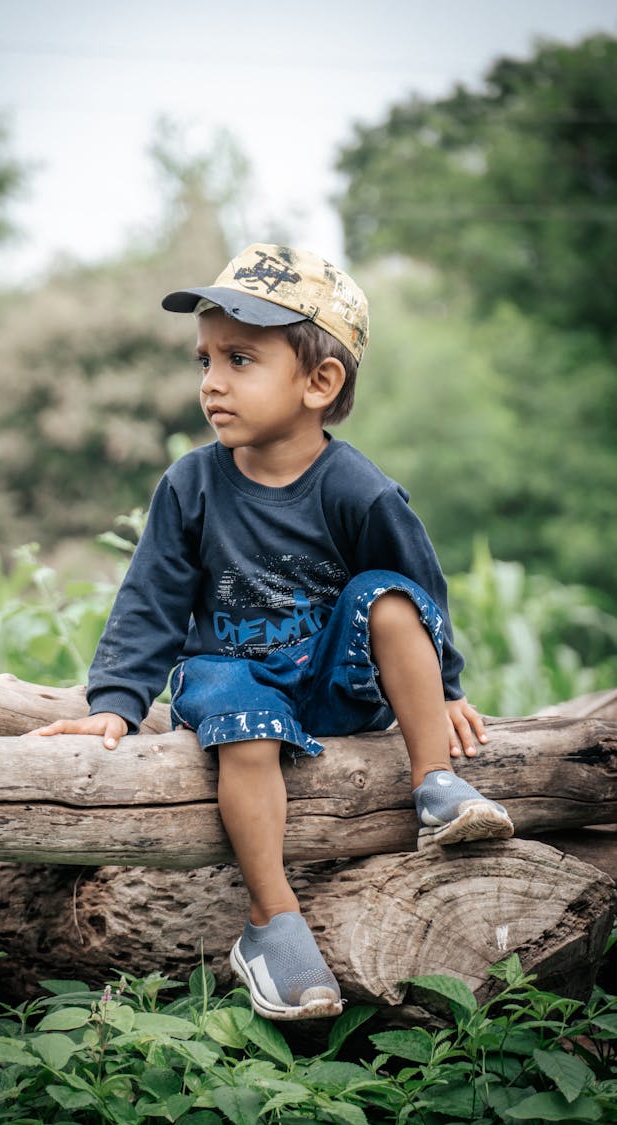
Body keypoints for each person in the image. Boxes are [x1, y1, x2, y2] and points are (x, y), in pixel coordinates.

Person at [33, 243, 513, 1021]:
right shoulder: (191, 483)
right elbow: (150, 600)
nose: (211, 382)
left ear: (319, 381)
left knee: (385, 599)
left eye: (241, 358)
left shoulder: (359, 488)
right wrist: (115, 703)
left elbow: (420, 589)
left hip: (331, 683)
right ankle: (272, 921)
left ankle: (433, 783)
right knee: (244, 715)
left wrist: (448, 689)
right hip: (234, 683)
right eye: (205, 360)